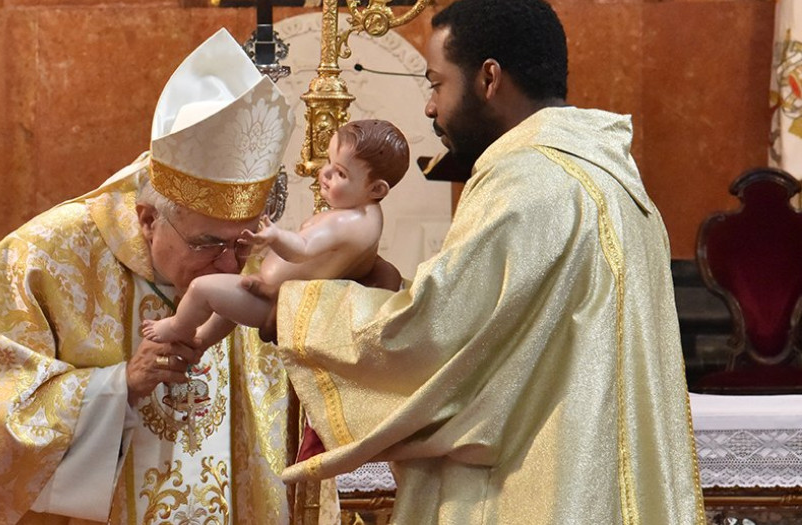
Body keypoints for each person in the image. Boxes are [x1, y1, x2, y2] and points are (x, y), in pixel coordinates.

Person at [252, 0, 707, 523]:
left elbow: (428, 336)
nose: (430, 108)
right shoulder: (621, 187)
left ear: (489, 78)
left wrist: (294, 306)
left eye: (436, 83)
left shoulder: (524, 182)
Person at [0, 29, 299, 524]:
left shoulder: (253, 259)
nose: (229, 268)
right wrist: (118, 387)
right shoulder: (40, 259)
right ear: (149, 219)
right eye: (206, 245)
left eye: (241, 243)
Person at [141, 119, 409, 351]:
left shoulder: (349, 221)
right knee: (226, 308)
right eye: (206, 244)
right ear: (149, 221)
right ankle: (201, 340)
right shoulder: (369, 218)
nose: (324, 173)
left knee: (203, 288)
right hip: (275, 294)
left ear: (376, 189)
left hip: (280, 303)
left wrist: (274, 236)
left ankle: (178, 326)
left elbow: (302, 248)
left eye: (340, 172)